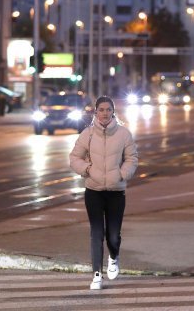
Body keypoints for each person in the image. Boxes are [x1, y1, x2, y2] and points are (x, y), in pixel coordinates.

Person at [69, 96, 138, 290]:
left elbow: (131, 158)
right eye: (101, 109)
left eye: (108, 109)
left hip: (116, 192)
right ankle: (97, 274)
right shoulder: (88, 134)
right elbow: (74, 158)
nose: (105, 113)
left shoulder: (124, 134)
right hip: (94, 191)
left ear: (113, 112)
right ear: (96, 112)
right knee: (96, 233)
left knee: (113, 235)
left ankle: (114, 257)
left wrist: (122, 175)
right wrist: (87, 169)